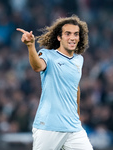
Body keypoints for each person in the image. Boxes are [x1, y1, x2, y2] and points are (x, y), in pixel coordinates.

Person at [17, 15, 93, 150]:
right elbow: (37, 67)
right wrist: (30, 46)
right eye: (68, 33)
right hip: (49, 126)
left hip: (73, 128)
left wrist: (77, 117)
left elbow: (75, 87)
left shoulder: (79, 60)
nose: (72, 37)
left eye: (76, 34)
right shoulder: (47, 55)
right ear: (59, 37)